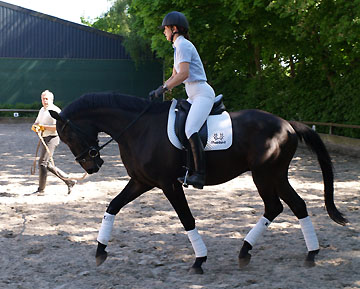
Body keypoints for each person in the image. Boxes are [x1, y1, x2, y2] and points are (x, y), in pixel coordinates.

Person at [149, 11, 215, 189]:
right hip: (192, 94)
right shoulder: (178, 47)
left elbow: (184, 74)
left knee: (191, 128)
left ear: (174, 29)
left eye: (165, 29)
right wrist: (159, 89)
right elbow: (175, 75)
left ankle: (200, 175)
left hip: (201, 93)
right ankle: (185, 167)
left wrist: (164, 88)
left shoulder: (184, 45)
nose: (164, 32)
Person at [31, 90, 76, 195]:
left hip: (53, 138)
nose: (45, 101)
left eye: (47, 99)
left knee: (42, 163)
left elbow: (59, 127)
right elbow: (37, 122)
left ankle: (41, 190)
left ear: (51, 99)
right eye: (43, 99)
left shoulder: (55, 110)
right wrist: (35, 126)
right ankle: (69, 181)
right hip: (44, 137)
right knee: (47, 164)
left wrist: (43, 127)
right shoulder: (42, 110)